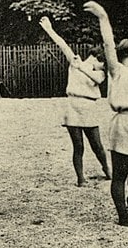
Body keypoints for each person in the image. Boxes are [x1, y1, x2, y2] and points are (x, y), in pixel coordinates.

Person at [83, 1, 128, 227]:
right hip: (123, 123)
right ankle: (123, 217)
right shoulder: (117, 71)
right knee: (120, 173)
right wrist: (103, 17)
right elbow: (108, 44)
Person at [39, 17, 111, 186]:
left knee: (97, 146)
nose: (104, 67)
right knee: (78, 146)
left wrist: (82, 68)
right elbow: (62, 44)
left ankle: (106, 168)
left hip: (89, 108)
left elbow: (97, 79)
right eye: (103, 63)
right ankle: (81, 179)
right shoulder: (76, 62)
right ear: (97, 59)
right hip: (72, 106)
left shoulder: (97, 73)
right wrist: (49, 29)